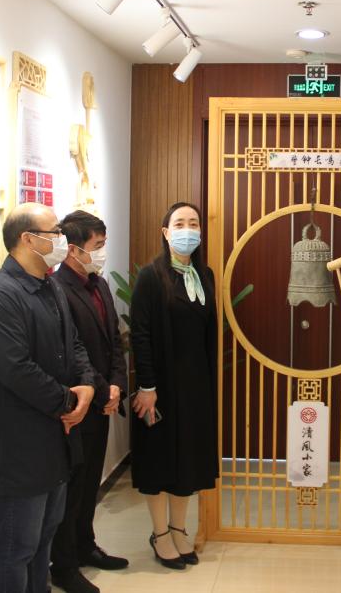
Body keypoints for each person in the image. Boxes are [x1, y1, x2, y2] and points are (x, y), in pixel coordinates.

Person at [0, 202, 96, 593]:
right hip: (21, 444)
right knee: (18, 547)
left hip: (57, 439)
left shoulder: (49, 284)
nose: (61, 239)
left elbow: (74, 344)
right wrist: (68, 402)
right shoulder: (0, 295)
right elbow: (16, 369)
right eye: (54, 232)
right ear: (28, 239)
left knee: (45, 538)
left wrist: (87, 385)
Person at [129, 201, 218, 570]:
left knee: (188, 460)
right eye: (179, 223)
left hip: (195, 385)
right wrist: (147, 386)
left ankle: (180, 529)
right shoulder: (151, 277)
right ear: (165, 232)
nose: (188, 229)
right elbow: (140, 334)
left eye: (193, 223)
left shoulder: (204, 274)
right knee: (160, 459)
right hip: (160, 386)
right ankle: (159, 533)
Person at [49, 210, 130, 593]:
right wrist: (101, 390)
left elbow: (114, 339)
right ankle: (63, 565)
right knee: (73, 487)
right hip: (78, 404)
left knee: (91, 481)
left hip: (103, 401)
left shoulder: (99, 284)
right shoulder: (57, 289)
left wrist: (117, 385)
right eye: (97, 246)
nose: (102, 252)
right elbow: (73, 349)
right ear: (73, 249)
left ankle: (86, 546)